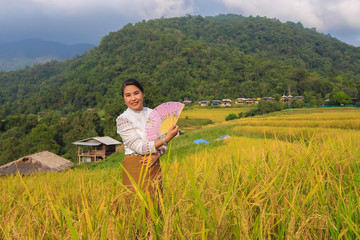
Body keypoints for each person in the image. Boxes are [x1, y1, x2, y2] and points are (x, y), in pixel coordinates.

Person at [116, 78, 179, 206]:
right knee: (136, 207)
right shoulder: (123, 119)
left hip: (154, 163)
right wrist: (166, 138)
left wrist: (158, 154)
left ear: (143, 94)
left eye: (136, 93)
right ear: (124, 99)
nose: (133, 98)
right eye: (128, 95)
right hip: (135, 164)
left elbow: (163, 144)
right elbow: (139, 147)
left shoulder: (153, 114)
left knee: (157, 205)